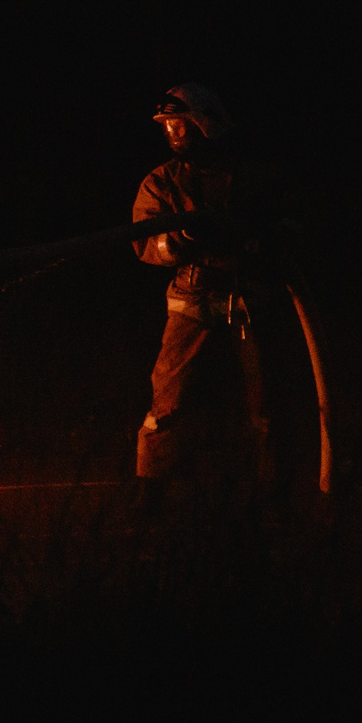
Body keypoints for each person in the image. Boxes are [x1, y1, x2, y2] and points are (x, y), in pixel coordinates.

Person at [132, 83, 287, 491]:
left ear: (205, 126)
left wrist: (264, 239)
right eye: (166, 128)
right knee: (169, 397)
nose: (171, 136)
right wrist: (180, 242)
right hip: (192, 296)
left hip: (249, 295)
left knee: (265, 401)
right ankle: (150, 484)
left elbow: (286, 228)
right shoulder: (162, 182)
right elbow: (144, 243)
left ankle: (273, 485)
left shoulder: (252, 178)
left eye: (179, 127)